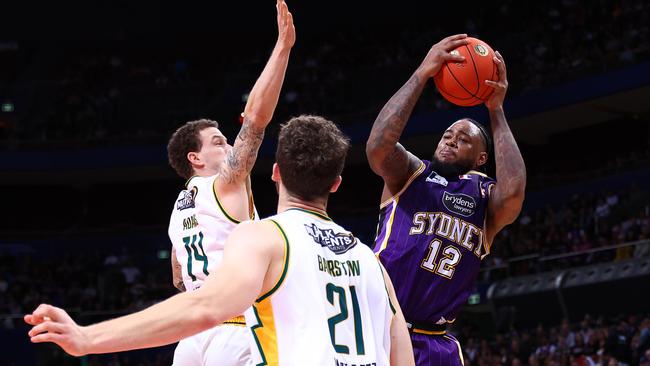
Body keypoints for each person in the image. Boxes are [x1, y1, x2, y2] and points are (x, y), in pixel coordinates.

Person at [25, 115, 415, 366]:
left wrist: (87, 338)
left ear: (275, 173)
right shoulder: (371, 261)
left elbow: (204, 307)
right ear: (336, 183)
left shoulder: (264, 238)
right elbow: (403, 359)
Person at [366, 34, 526, 365]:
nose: (450, 140)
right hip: (377, 326)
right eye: (447, 135)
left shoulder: (485, 198)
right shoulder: (411, 173)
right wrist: (422, 74)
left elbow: (513, 193)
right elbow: (378, 147)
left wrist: (495, 109)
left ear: (482, 158)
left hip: (435, 343)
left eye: (463, 139)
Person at [165, 0, 295, 364]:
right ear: (196, 158)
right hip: (235, 328)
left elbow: (178, 275)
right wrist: (282, 48)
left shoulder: (180, 209)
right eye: (219, 142)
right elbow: (255, 121)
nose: (229, 145)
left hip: (191, 336)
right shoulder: (225, 184)